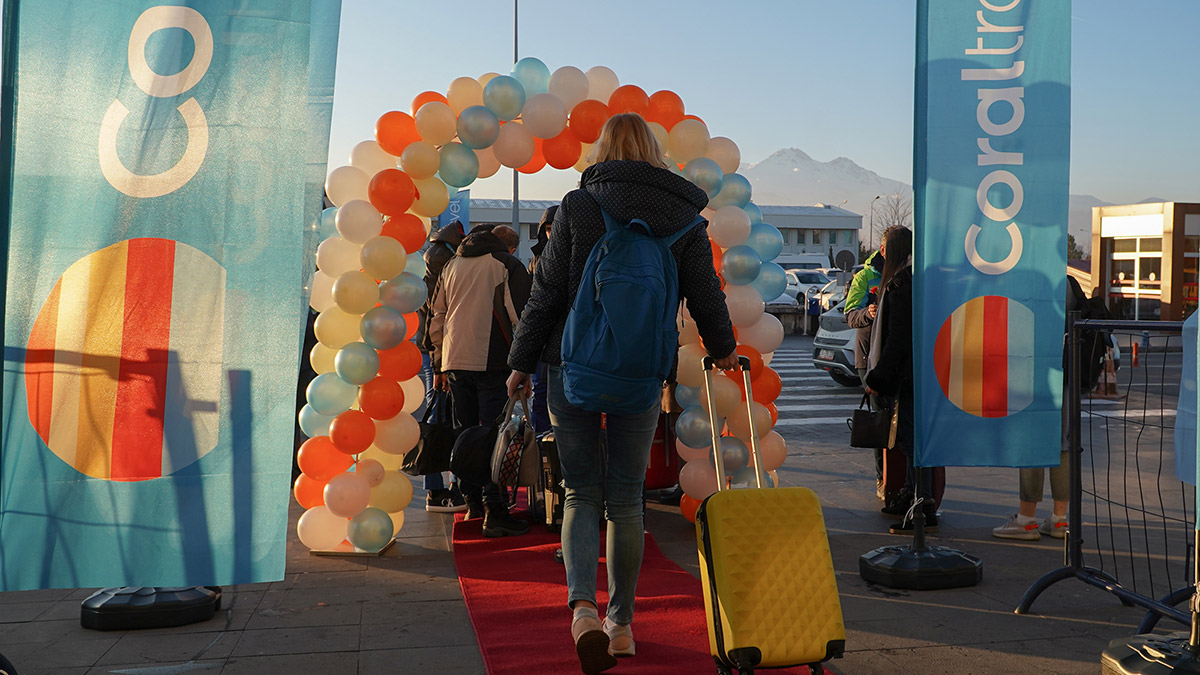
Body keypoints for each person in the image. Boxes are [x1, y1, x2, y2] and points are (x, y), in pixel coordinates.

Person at [505, 113, 738, 674]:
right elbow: (705, 294)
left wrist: (520, 363)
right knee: (627, 499)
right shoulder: (684, 217)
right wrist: (725, 348)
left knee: (581, 493)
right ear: (654, 152)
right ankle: (622, 625)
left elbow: (546, 292)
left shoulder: (578, 206)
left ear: (605, 149)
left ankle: (583, 609)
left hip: (573, 367)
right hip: (640, 372)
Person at [429, 224, 532, 537]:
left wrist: (438, 364)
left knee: (465, 432)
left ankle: (472, 501)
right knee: (492, 434)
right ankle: (495, 509)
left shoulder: (452, 265)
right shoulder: (505, 264)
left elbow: (437, 315)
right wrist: (525, 365)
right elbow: (522, 317)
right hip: (492, 360)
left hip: (455, 359)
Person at [863, 226, 938, 533]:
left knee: (912, 442)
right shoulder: (920, 280)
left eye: (883, 248)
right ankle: (911, 495)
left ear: (891, 251)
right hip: (928, 373)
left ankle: (921, 506)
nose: (880, 253)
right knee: (914, 440)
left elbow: (898, 341)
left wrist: (877, 377)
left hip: (910, 378)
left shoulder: (900, 285)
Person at [414, 219, 468, 513]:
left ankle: (434, 488)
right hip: (441, 355)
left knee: (436, 416)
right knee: (448, 419)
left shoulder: (429, 268)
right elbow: (440, 323)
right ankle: (451, 489)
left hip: (430, 354)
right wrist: (440, 368)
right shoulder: (443, 270)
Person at [844, 238, 887, 500]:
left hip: (898, 354)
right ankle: (883, 478)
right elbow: (850, 314)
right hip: (868, 356)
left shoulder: (909, 272)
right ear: (882, 249)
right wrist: (867, 314)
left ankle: (903, 478)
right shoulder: (865, 276)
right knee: (879, 418)